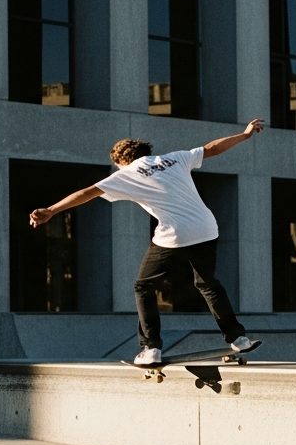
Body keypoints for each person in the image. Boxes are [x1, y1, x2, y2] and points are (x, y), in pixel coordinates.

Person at [29, 119, 265, 365]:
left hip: (174, 234)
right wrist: (244, 135)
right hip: (206, 227)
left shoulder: (126, 174)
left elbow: (86, 193)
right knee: (208, 284)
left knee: (143, 287)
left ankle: (151, 347)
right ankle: (238, 339)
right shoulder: (176, 158)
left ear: (121, 162)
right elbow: (213, 147)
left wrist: (51, 210)